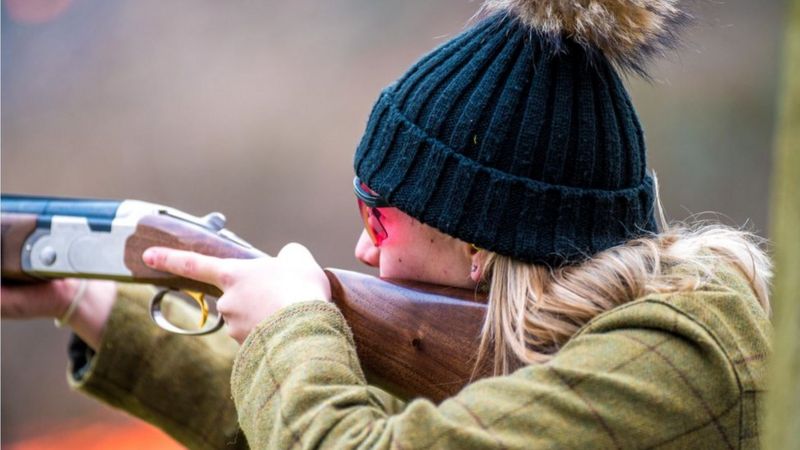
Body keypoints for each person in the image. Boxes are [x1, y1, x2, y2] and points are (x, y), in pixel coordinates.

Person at [1, 0, 772, 448]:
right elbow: (297, 427)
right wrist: (90, 301)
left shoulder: (676, 366)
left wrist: (294, 326)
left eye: (380, 215)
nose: (364, 248)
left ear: (479, 241)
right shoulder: (585, 348)